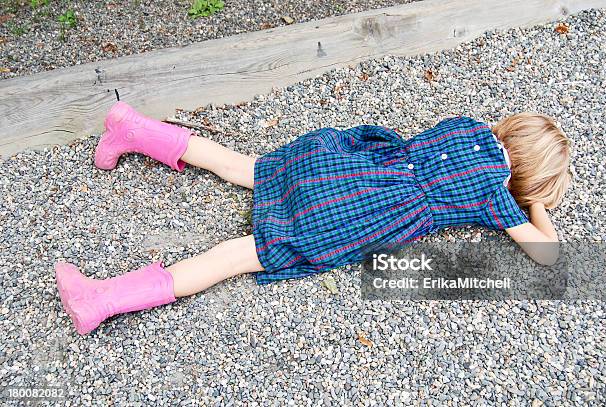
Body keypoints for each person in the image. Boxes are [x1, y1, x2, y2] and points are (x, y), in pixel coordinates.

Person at [55, 101, 571, 334]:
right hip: (354, 213)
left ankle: (132, 129)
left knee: (245, 166)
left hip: (337, 168)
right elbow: (548, 255)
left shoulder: (467, 125)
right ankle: (103, 298)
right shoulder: (495, 198)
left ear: (512, 128)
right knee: (239, 255)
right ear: (531, 176)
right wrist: (535, 204)